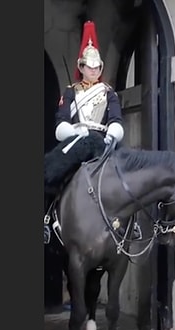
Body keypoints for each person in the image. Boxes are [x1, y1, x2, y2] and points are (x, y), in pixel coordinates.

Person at [44, 20, 125, 198]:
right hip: (78, 138)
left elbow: (116, 119)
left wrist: (112, 135)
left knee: (127, 181)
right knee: (54, 174)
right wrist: (74, 130)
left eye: (97, 67)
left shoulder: (109, 93)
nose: (94, 70)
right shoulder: (70, 91)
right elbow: (62, 121)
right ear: (82, 67)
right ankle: (49, 215)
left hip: (103, 141)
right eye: (90, 66)